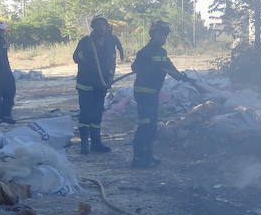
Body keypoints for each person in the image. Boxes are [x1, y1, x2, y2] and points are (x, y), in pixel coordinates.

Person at [131, 20, 191, 168]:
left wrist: (181, 76)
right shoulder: (145, 51)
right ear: (153, 34)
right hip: (144, 93)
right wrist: (152, 68)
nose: (163, 37)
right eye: (160, 34)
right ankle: (138, 158)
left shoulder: (162, 53)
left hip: (152, 93)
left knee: (151, 126)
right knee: (145, 125)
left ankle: (148, 155)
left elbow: (169, 67)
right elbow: (135, 67)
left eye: (165, 35)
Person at [72, 16, 119, 154]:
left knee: (97, 113)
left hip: (101, 84)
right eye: (98, 25)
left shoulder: (110, 42)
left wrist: (110, 77)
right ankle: (84, 145)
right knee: (85, 113)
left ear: (107, 26)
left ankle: (96, 143)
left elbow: (112, 61)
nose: (101, 28)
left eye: (103, 25)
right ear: (93, 27)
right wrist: (87, 54)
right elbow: (76, 57)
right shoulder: (85, 41)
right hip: (86, 83)